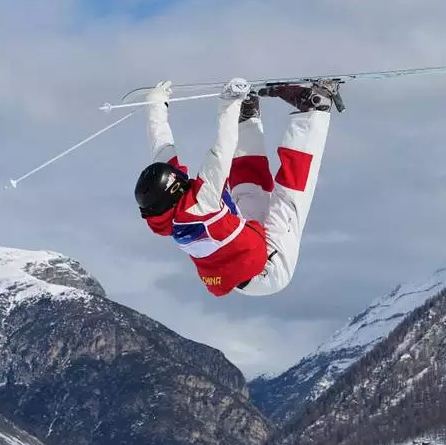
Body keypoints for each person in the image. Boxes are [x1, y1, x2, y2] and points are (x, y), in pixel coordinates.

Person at [133, 76, 340, 296]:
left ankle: (247, 118)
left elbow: (161, 149)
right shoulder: (200, 204)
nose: (184, 177)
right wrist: (230, 102)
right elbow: (222, 150)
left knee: (247, 190)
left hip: (240, 255)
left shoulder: (164, 210)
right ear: (175, 190)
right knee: (289, 198)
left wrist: (156, 105)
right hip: (268, 271)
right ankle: (314, 108)